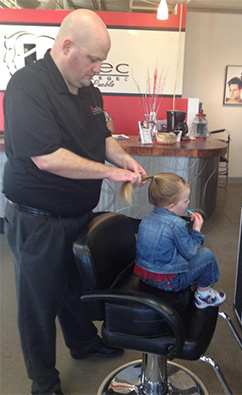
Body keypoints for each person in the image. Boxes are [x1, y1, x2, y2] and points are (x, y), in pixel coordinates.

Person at [2, 9, 146, 394]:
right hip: (37, 220)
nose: (98, 69)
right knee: (39, 303)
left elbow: (101, 137)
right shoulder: (26, 87)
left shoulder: (90, 92)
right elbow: (46, 157)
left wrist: (123, 159)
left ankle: (83, 344)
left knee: (74, 288)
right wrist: (108, 173)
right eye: (94, 59)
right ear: (67, 47)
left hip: (77, 214)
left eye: (102, 60)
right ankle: (43, 382)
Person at [133, 173, 226, 308]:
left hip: (146, 277)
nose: (188, 203)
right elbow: (190, 253)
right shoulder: (176, 224)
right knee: (207, 256)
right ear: (171, 206)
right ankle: (204, 296)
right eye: (185, 201)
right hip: (169, 283)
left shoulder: (146, 219)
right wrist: (196, 231)